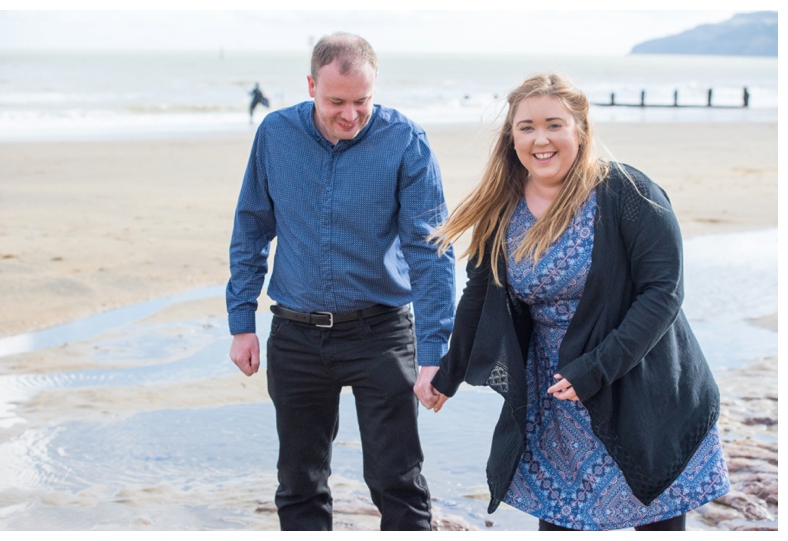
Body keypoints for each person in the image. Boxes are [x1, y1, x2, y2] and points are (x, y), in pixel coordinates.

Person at [428, 72, 730, 531]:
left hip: (641, 389)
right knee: (561, 525)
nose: (540, 139)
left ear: (581, 129)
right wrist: (447, 374)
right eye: (526, 127)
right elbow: (478, 295)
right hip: (555, 403)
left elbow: (663, 293)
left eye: (554, 124)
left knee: (658, 524)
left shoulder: (628, 193)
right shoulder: (502, 211)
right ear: (511, 138)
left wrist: (595, 368)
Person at [226, 32, 456, 531]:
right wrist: (242, 321)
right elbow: (251, 228)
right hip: (296, 335)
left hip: (382, 332)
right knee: (299, 484)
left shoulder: (404, 140)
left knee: (398, 482)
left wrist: (436, 351)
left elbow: (431, 250)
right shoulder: (274, 135)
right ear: (311, 86)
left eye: (362, 101)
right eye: (336, 102)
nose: (350, 114)